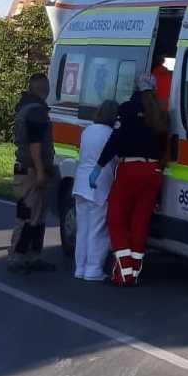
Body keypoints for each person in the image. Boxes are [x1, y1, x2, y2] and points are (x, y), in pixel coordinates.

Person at [97, 73, 168, 286]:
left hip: (130, 169)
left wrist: (99, 165)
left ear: (136, 88)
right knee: (140, 223)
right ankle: (134, 273)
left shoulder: (126, 109)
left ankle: (123, 273)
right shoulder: (161, 113)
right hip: (154, 172)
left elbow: (115, 140)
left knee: (116, 219)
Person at [9, 73, 56, 274]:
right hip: (31, 171)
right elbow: (35, 144)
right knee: (29, 216)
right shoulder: (37, 111)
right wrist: (40, 172)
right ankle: (18, 257)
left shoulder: (25, 107)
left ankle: (31, 256)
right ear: (44, 89)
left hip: (27, 169)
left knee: (35, 216)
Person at [72, 100, 120, 282]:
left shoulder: (87, 131)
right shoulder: (111, 134)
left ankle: (80, 267)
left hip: (81, 182)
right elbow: (115, 159)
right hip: (100, 184)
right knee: (97, 229)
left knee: (82, 228)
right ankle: (93, 269)